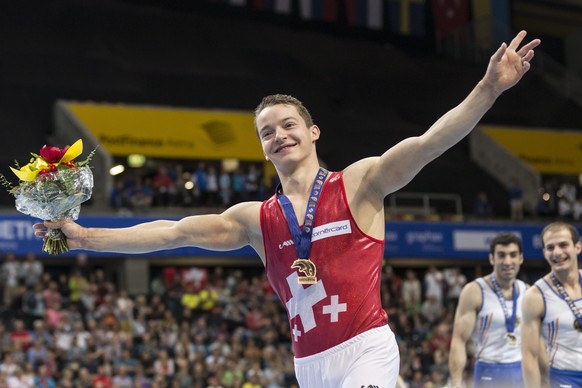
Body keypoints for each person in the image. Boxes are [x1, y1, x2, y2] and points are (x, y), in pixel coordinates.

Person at [35, 31, 540, 388]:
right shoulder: (255, 219)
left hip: (367, 344)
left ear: (313, 131)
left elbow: (431, 142)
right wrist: (84, 237)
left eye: (289, 125)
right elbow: (172, 232)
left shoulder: (360, 183)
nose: (280, 136)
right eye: (267, 132)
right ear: (262, 148)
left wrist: (489, 88)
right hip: (308, 364)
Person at [448, 233, 529, 388]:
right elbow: (459, 341)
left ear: (521, 258)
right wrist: (456, 384)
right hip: (488, 372)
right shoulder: (474, 291)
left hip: (521, 372)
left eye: (513, 255)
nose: (507, 261)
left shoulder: (529, 293)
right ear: (492, 259)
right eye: (501, 255)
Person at [521, 222, 582, 388]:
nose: (557, 252)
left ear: (578, 247)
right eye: (550, 247)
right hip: (564, 379)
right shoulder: (535, 296)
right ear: (544, 253)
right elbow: (529, 356)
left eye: (563, 245)